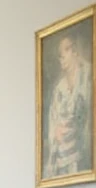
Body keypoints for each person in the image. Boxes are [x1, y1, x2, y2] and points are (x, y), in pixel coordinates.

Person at [44, 31, 93, 179]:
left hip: (83, 153)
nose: (61, 57)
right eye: (59, 54)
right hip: (62, 157)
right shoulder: (59, 88)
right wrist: (57, 131)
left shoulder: (88, 75)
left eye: (66, 50)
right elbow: (53, 121)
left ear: (75, 51)